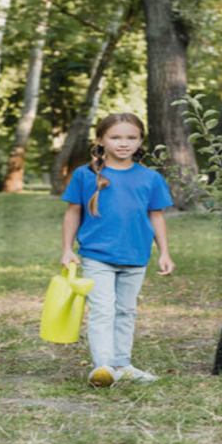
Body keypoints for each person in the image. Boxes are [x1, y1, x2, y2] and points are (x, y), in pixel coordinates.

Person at [61, 113, 175, 388]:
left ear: (139, 141)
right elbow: (72, 212)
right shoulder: (84, 175)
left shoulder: (151, 178)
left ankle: (122, 365)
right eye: (115, 137)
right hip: (96, 255)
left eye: (131, 138)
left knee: (126, 310)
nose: (123, 144)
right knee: (102, 309)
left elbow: (156, 216)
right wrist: (67, 248)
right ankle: (102, 366)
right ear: (101, 140)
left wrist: (164, 252)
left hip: (135, 256)